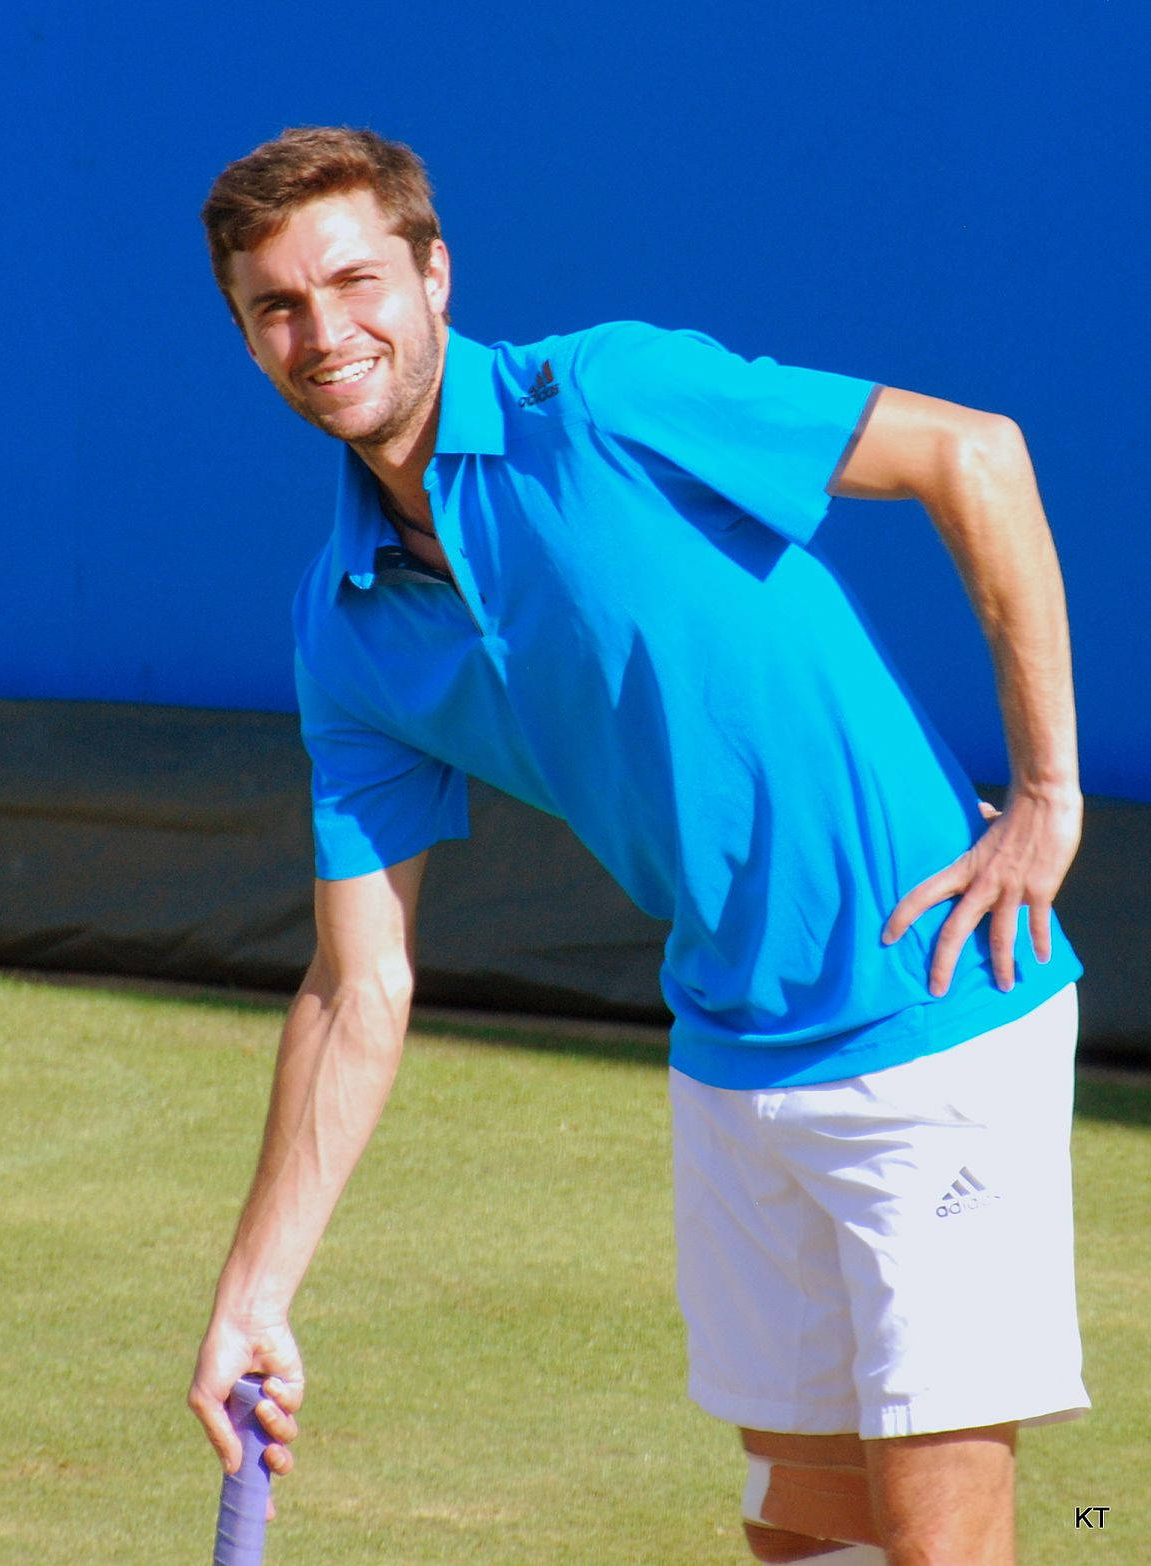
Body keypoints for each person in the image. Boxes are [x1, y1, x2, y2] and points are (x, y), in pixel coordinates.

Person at [189, 126, 1087, 1566]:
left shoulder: (607, 394)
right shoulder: (342, 628)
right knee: (804, 1530)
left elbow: (973, 453)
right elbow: (359, 987)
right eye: (278, 307)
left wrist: (1047, 792)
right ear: (247, 340)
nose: (325, 331)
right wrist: (254, 1291)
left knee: (938, 1536)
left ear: (433, 275)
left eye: (355, 282)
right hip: (730, 1055)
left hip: (939, 1008)